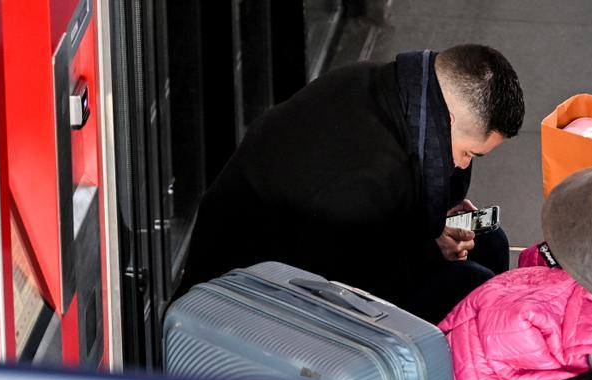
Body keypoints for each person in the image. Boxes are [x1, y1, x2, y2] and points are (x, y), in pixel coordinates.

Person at [179, 44, 525, 323]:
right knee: (472, 288)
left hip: (327, 254)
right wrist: (429, 250)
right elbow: (344, 288)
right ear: (447, 119)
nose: (463, 165)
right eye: (468, 153)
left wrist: (435, 225)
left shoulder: (385, 85)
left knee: (489, 242)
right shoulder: (364, 176)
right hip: (258, 305)